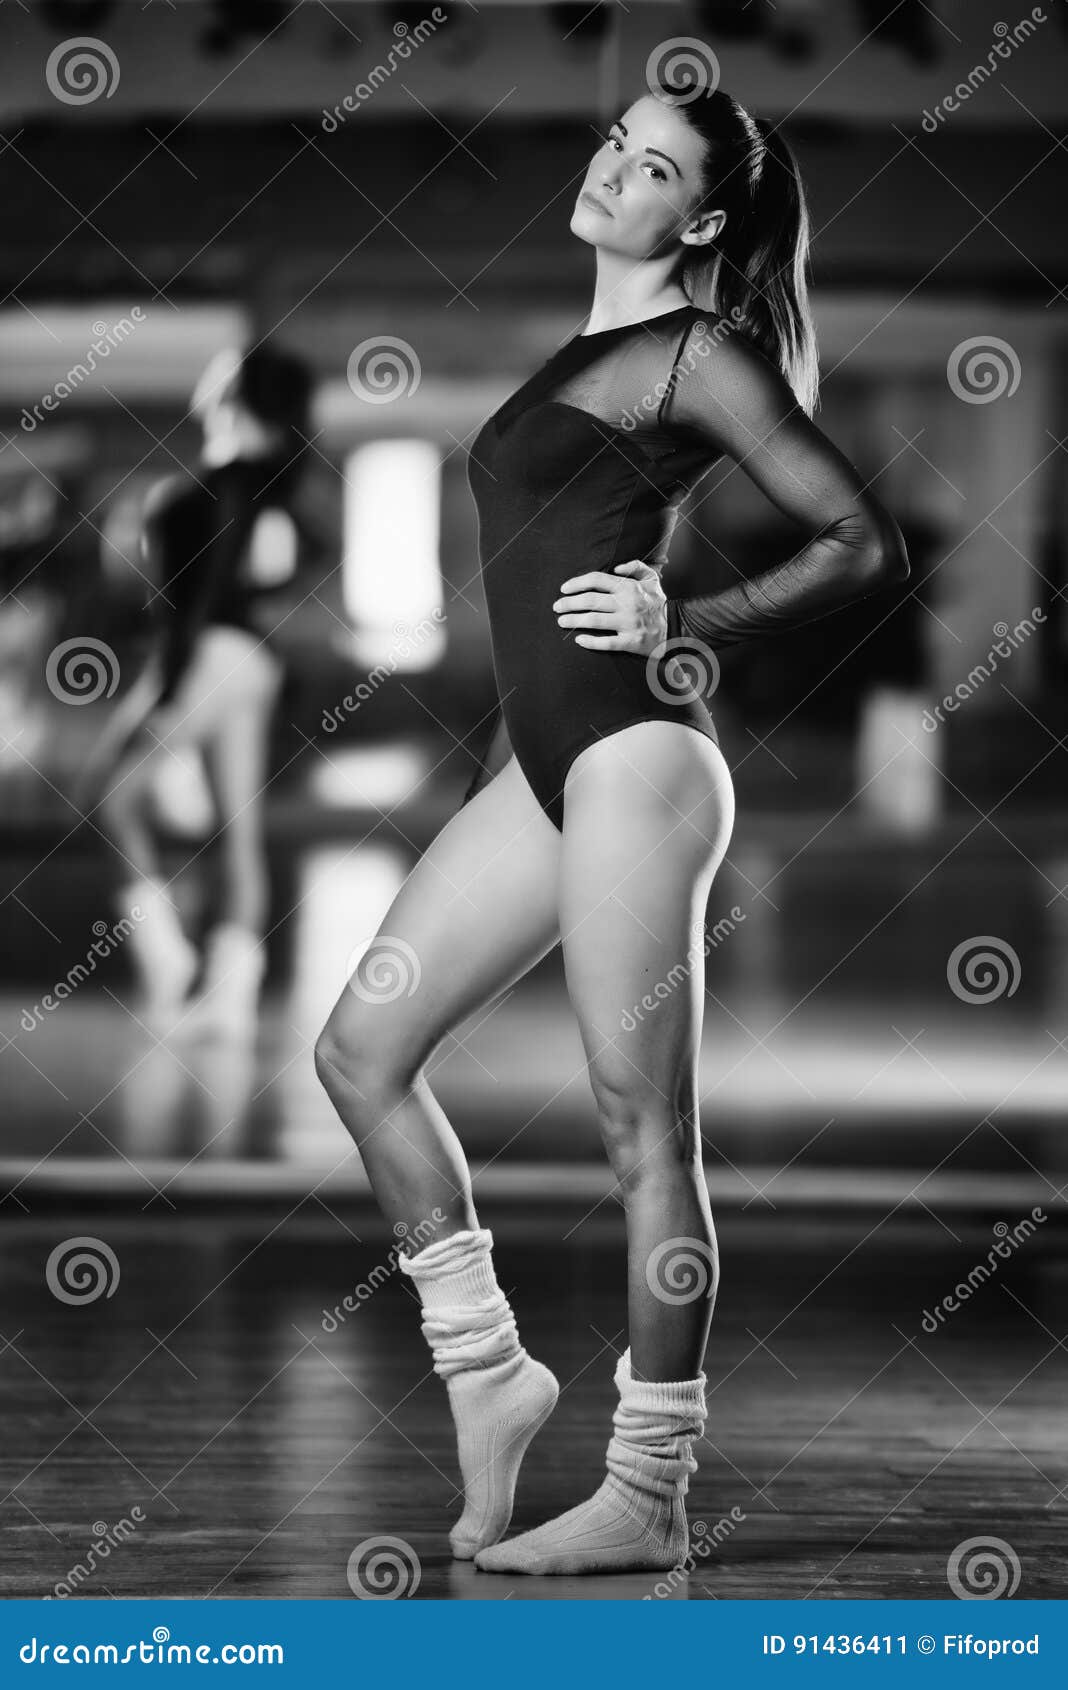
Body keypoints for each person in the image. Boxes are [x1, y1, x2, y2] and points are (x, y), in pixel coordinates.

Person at [315, 80, 908, 1575]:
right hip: (549, 762)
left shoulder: (698, 355)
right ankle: (489, 1367)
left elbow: (861, 538)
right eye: (612, 144)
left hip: (641, 757)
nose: (612, 172)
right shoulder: (595, 353)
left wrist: (684, 610)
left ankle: (648, 1484)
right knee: (360, 1051)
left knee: (644, 1126)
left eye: (651, 169)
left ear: (697, 219)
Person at [91, 341, 315, 1037]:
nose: (209, 371)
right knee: (239, 832)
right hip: (245, 659)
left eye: (224, 369)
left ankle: (171, 970)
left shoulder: (237, 478)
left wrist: (168, 690)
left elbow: (203, 596)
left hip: (214, 653)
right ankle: (228, 995)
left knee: (116, 796)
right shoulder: (251, 477)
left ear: (238, 394)